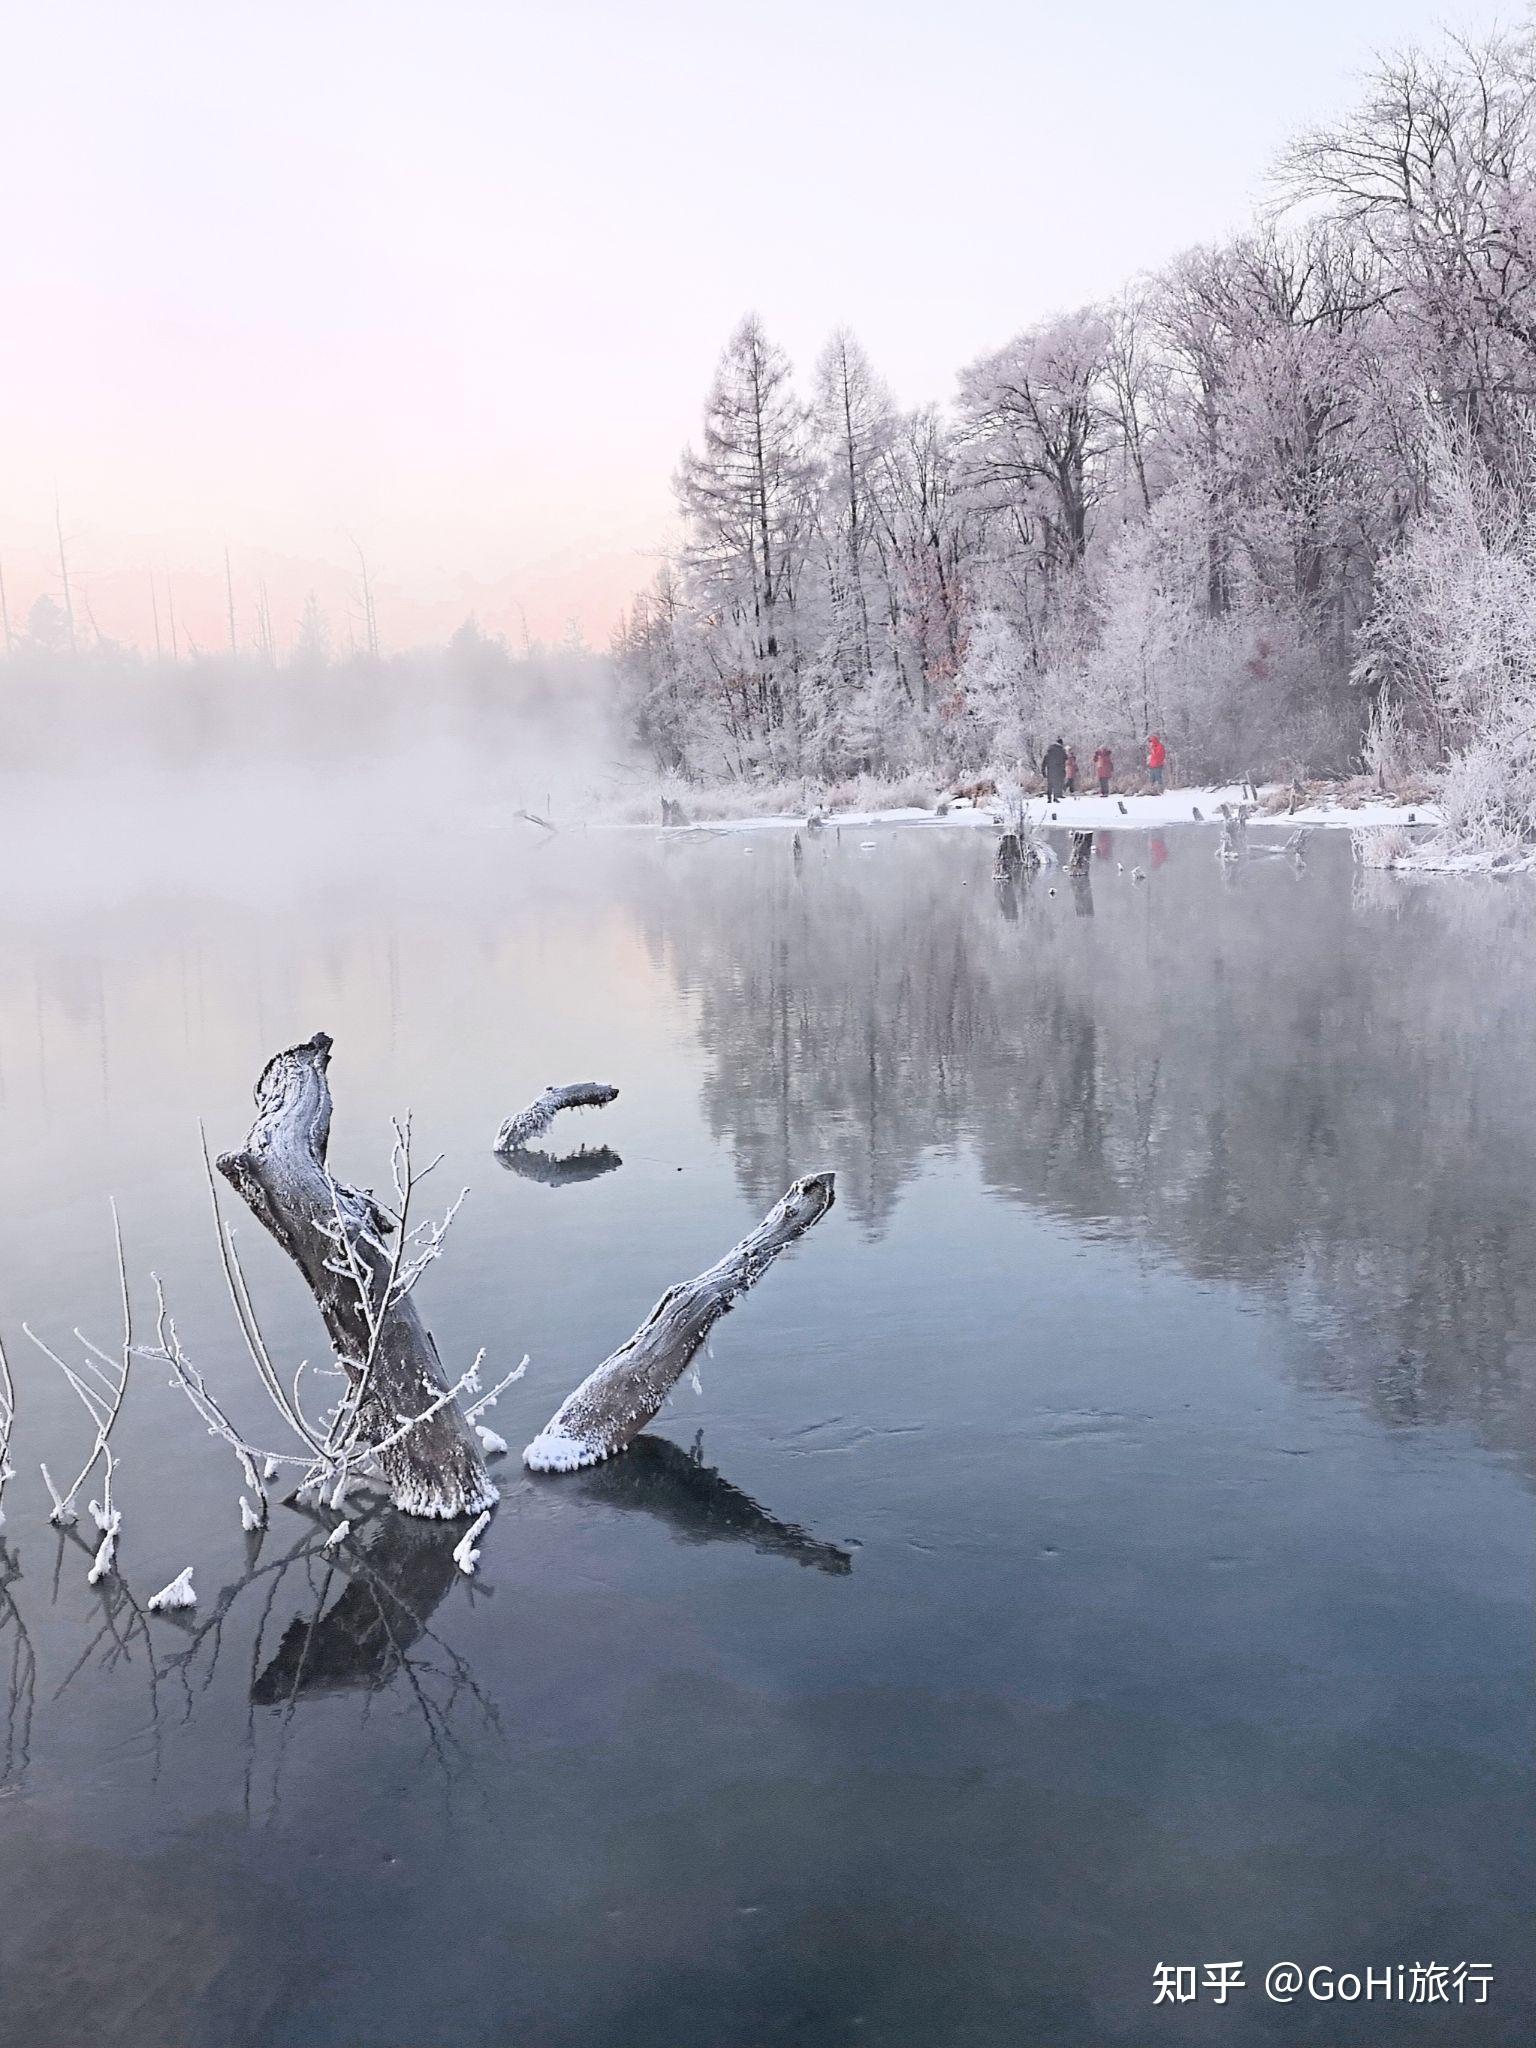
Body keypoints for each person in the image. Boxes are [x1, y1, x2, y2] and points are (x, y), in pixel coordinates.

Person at [1041, 737, 1067, 803]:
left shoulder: (1048, 754)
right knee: (1056, 784)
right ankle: (1055, 797)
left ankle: (1049, 798)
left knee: (1050, 785)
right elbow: (1065, 758)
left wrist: (1043, 773)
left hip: (1050, 771)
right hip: (1058, 771)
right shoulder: (1061, 751)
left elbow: (1043, 764)